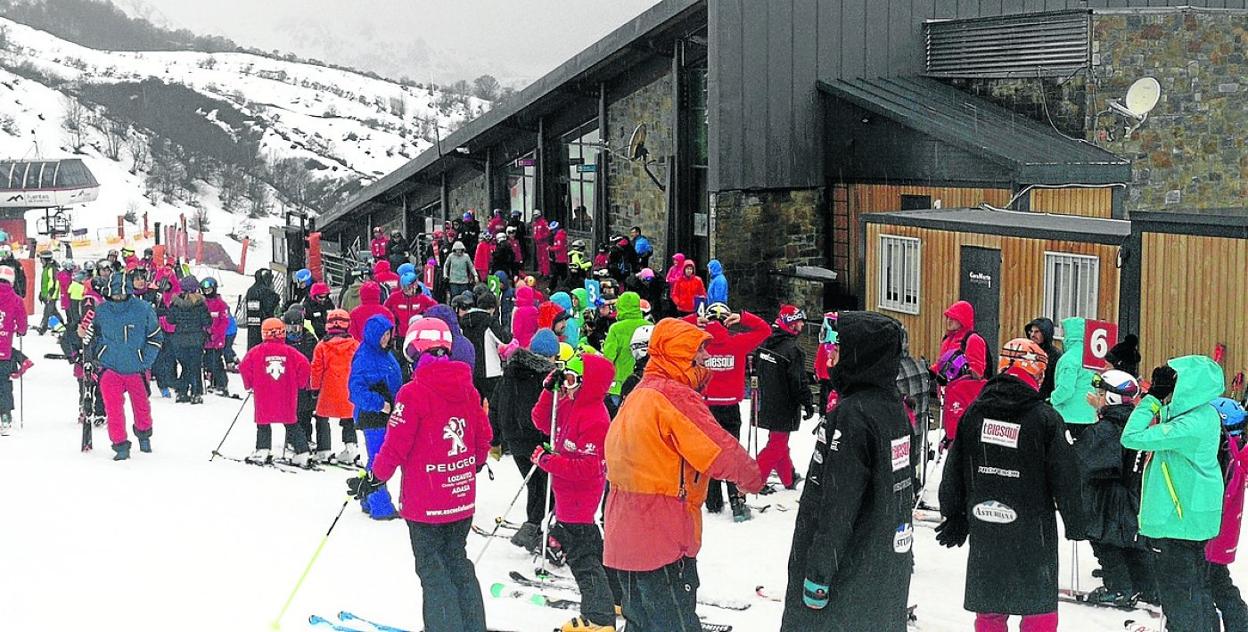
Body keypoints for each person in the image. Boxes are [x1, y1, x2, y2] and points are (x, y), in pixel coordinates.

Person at [605, 318, 763, 631]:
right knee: (675, 623)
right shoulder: (674, 396)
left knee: (640, 621)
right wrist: (751, 477)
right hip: (661, 533)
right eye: (700, 350)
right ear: (681, 355)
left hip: (625, 530)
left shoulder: (640, 393)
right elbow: (718, 450)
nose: (707, 357)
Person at [349, 314, 491, 632]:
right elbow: (483, 438)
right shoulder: (467, 389)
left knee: (433, 570)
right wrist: (472, 465)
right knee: (458, 561)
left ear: (415, 353)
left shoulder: (412, 394)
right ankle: (472, 625)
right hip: (460, 499)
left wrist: (372, 480)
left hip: (426, 503)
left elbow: (394, 447)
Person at [935, 338, 1081, 632]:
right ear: (1037, 375)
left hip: (986, 527)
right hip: (1032, 530)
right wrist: (1076, 519)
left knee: (990, 603)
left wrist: (954, 512)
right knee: (1038, 607)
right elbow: (1067, 475)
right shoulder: (1045, 418)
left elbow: (955, 467)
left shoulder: (975, 412)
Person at [780, 312, 915, 631]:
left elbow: (838, 505)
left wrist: (819, 573)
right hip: (881, 565)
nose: (831, 355)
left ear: (860, 353)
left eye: (838, 347)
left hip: (849, 571)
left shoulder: (854, 416)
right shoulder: (891, 405)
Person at [1121, 357, 1225, 631]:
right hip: (1188, 518)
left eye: (1176, 380)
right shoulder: (1202, 414)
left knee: (1182, 601)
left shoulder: (1190, 426)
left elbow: (1131, 436)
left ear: (1190, 387)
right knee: (1196, 594)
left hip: (1176, 522)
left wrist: (1153, 397)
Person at [531, 353, 615, 632]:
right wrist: (548, 390)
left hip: (581, 494)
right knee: (588, 544)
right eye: (564, 379)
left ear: (588, 383)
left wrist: (548, 461)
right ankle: (614, 596)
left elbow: (589, 468)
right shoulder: (568, 404)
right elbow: (542, 421)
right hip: (565, 490)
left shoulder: (595, 418)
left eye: (571, 380)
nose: (566, 387)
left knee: (582, 557)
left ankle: (599, 617)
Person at [1073, 369, 1155, 607]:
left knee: (1105, 542)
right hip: (1131, 493)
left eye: (1100, 393)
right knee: (1130, 541)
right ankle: (1147, 586)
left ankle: (1119, 587)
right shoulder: (1132, 422)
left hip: (1108, 498)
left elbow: (1085, 462)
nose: (1094, 397)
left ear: (1111, 399)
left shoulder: (1106, 430)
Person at [683, 303, 771, 519]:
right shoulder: (738, 343)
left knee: (710, 453)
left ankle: (712, 500)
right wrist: (742, 317)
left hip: (706, 407)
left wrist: (694, 319)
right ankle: (736, 500)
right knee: (731, 454)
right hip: (730, 407)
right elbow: (765, 330)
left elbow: (669, 330)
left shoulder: (697, 346)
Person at [491, 328, 561, 553]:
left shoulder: (511, 370)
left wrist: (496, 436)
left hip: (515, 438)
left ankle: (533, 526)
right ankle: (538, 529)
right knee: (550, 487)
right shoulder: (546, 378)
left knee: (536, 485)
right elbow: (545, 411)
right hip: (536, 439)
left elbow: (496, 403)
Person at [87, 272, 161, 459]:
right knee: (113, 410)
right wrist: (93, 351)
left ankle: (144, 436)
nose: (118, 298)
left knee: (142, 407)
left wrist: (145, 361)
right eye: (114, 295)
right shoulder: (101, 311)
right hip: (109, 367)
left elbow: (155, 338)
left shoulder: (143, 309)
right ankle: (120, 445)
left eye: (121, 295)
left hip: (136, 368)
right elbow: (93, 335)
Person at [755, 305, 815, 495]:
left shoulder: (765, 343)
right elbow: (798, 382)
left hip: (767, 400)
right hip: (784, 404)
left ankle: (788, 477)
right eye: (798, 324)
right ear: (790, 324)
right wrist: (807, 402)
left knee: (778, 441)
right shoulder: (793, 350)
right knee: (776, 445)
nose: (801, 328)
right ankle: (754, 480)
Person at [348, 314, 402, 520]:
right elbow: (355, 389)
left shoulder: (386, 354)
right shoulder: (364, 357)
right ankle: (380, 504)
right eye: (383, 334)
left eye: (389, 333)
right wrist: (380, 404)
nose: (387, 338)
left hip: (386, 412)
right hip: (373, 415)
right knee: (378, 457)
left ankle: (367, 497)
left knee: (378, 456)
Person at [239, 318, 313, 467]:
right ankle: (303, 452)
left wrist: (249, 383)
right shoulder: (291, 352)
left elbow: (244, 367)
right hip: (287, 394)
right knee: (291, 422)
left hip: (264, 395)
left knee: (263, 423)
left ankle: (263, 449)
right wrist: (301, 383)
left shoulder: (256, 351)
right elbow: (305, 365)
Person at [1207, 397, 1248, 631]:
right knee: (1218, 582)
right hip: (1222, 535)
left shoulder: (1225, 457)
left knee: (1215, 583)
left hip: (1213, 535)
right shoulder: (1237, 451)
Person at [311, 309, 360, 465]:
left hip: (328, 390)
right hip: (348, 389)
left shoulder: (322, 346)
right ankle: (351, 448)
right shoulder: (354, 345)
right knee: (348, 419)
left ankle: (324, 450)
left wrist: (315, 388)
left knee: (321, 418)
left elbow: (316, 369)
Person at [282, 307, 329, 462]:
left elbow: (316, 360)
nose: (293, 332)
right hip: (289, 383)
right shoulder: (283, 341)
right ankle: (293, 439)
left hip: (307, 382)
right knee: (292, 412)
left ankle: (307, 437)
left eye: (296, 328)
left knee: (306, 412)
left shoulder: (310, 339)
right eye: (289, 328)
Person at [460, 291, 511, 407]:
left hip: (471, 369)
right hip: (490, 371)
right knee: (496, 406)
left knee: (474, 405)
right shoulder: (489, 321)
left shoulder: (466, 321)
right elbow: (504, 339)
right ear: (492, 308)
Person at [166, 275, 211, 404]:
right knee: (194, 366)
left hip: (179, 339)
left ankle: (182, 392)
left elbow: (170, 320)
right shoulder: (200, 304)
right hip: (196, 339)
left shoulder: (175, 303)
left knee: (185, 366)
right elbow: (207, 322)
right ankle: (195, 393)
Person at [602, 292, 650, 410]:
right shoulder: (649, 326)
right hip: (644, 381)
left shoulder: (616, 328)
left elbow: (608, 357)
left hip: (619, 383)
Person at [1051, 317, 1098, 436]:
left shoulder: (1069, 359)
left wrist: (1052, 399)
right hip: (1089, 415)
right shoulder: (1092, 358)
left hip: (1068, 416)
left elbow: (1066, 389)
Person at [931, 300, 990, 381]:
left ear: (963, 319)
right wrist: (931, 372)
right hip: (946, 391)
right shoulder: (947, 340)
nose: (949, 321)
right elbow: (942, 364)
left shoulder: (973, 340)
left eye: (953, 318)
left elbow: (977, 373)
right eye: (948, 318)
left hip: (965, 391)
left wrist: (958, 372)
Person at [200, 277, 231, 396]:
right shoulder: (202, 303)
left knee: (216, 361)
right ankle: (211, 381)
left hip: (216, 339)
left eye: (209, 290)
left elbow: (224, 322)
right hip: (205, 339)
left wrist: (213, 333)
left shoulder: (221, 304)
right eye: (205, 290)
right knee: (207, 361)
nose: (207, 292)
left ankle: (222, 384)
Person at [385, 273, 437, 342]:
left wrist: (424, 317)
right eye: (404, 287)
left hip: (417, 335)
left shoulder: (423, 299)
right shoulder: (394, 297)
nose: (406, 290)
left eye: (408, 287)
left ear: (415, 285)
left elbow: (437, 309)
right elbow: (384, 311)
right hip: (400, 336)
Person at [1024, 317, 1063, 399]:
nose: (1032, 335)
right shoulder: (1025, 351)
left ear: (1046, 333)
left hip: (1046, 400)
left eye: (1037, 332)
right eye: (1031, 331)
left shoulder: (1056, 355)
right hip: (1027, 399)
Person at [244, 269, 280, 349]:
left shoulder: (250, 290)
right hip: (265, 325)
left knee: (253, 348)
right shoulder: (266, 291)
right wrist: (275, 295)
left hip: (252, 325)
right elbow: (269, 307)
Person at [36, 250, 63, 335]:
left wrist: (50, 294)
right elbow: (45, 283)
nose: (40, 261)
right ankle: (61, 327)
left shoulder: (52, 269)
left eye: (41, 259)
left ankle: (43, 328)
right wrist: (42, 293)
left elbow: (54, 282)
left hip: (51, 296)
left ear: (45, 259)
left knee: (48, 312)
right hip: (47, 295)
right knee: (53, 312)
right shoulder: (46, 268)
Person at [532, 211, 551, 279]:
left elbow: (548, 232)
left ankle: (546, 273)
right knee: (539, 258)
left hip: (544, 243)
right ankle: (541, 272)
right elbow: (534, 233)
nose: (535, 217)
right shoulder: (535, 224)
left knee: (545, 259)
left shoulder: (543, 222)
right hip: (538, 244)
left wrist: (542, 237)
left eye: (536, 215)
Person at [549, 222, 568, 287]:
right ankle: (564, 286)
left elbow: (559, 247)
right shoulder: (562, 234)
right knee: (563, 275)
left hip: (560, 258)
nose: (552, 232)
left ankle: (551, 287)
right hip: (562, 258)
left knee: (555, 274)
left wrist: (550, 248)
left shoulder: (558, 236)